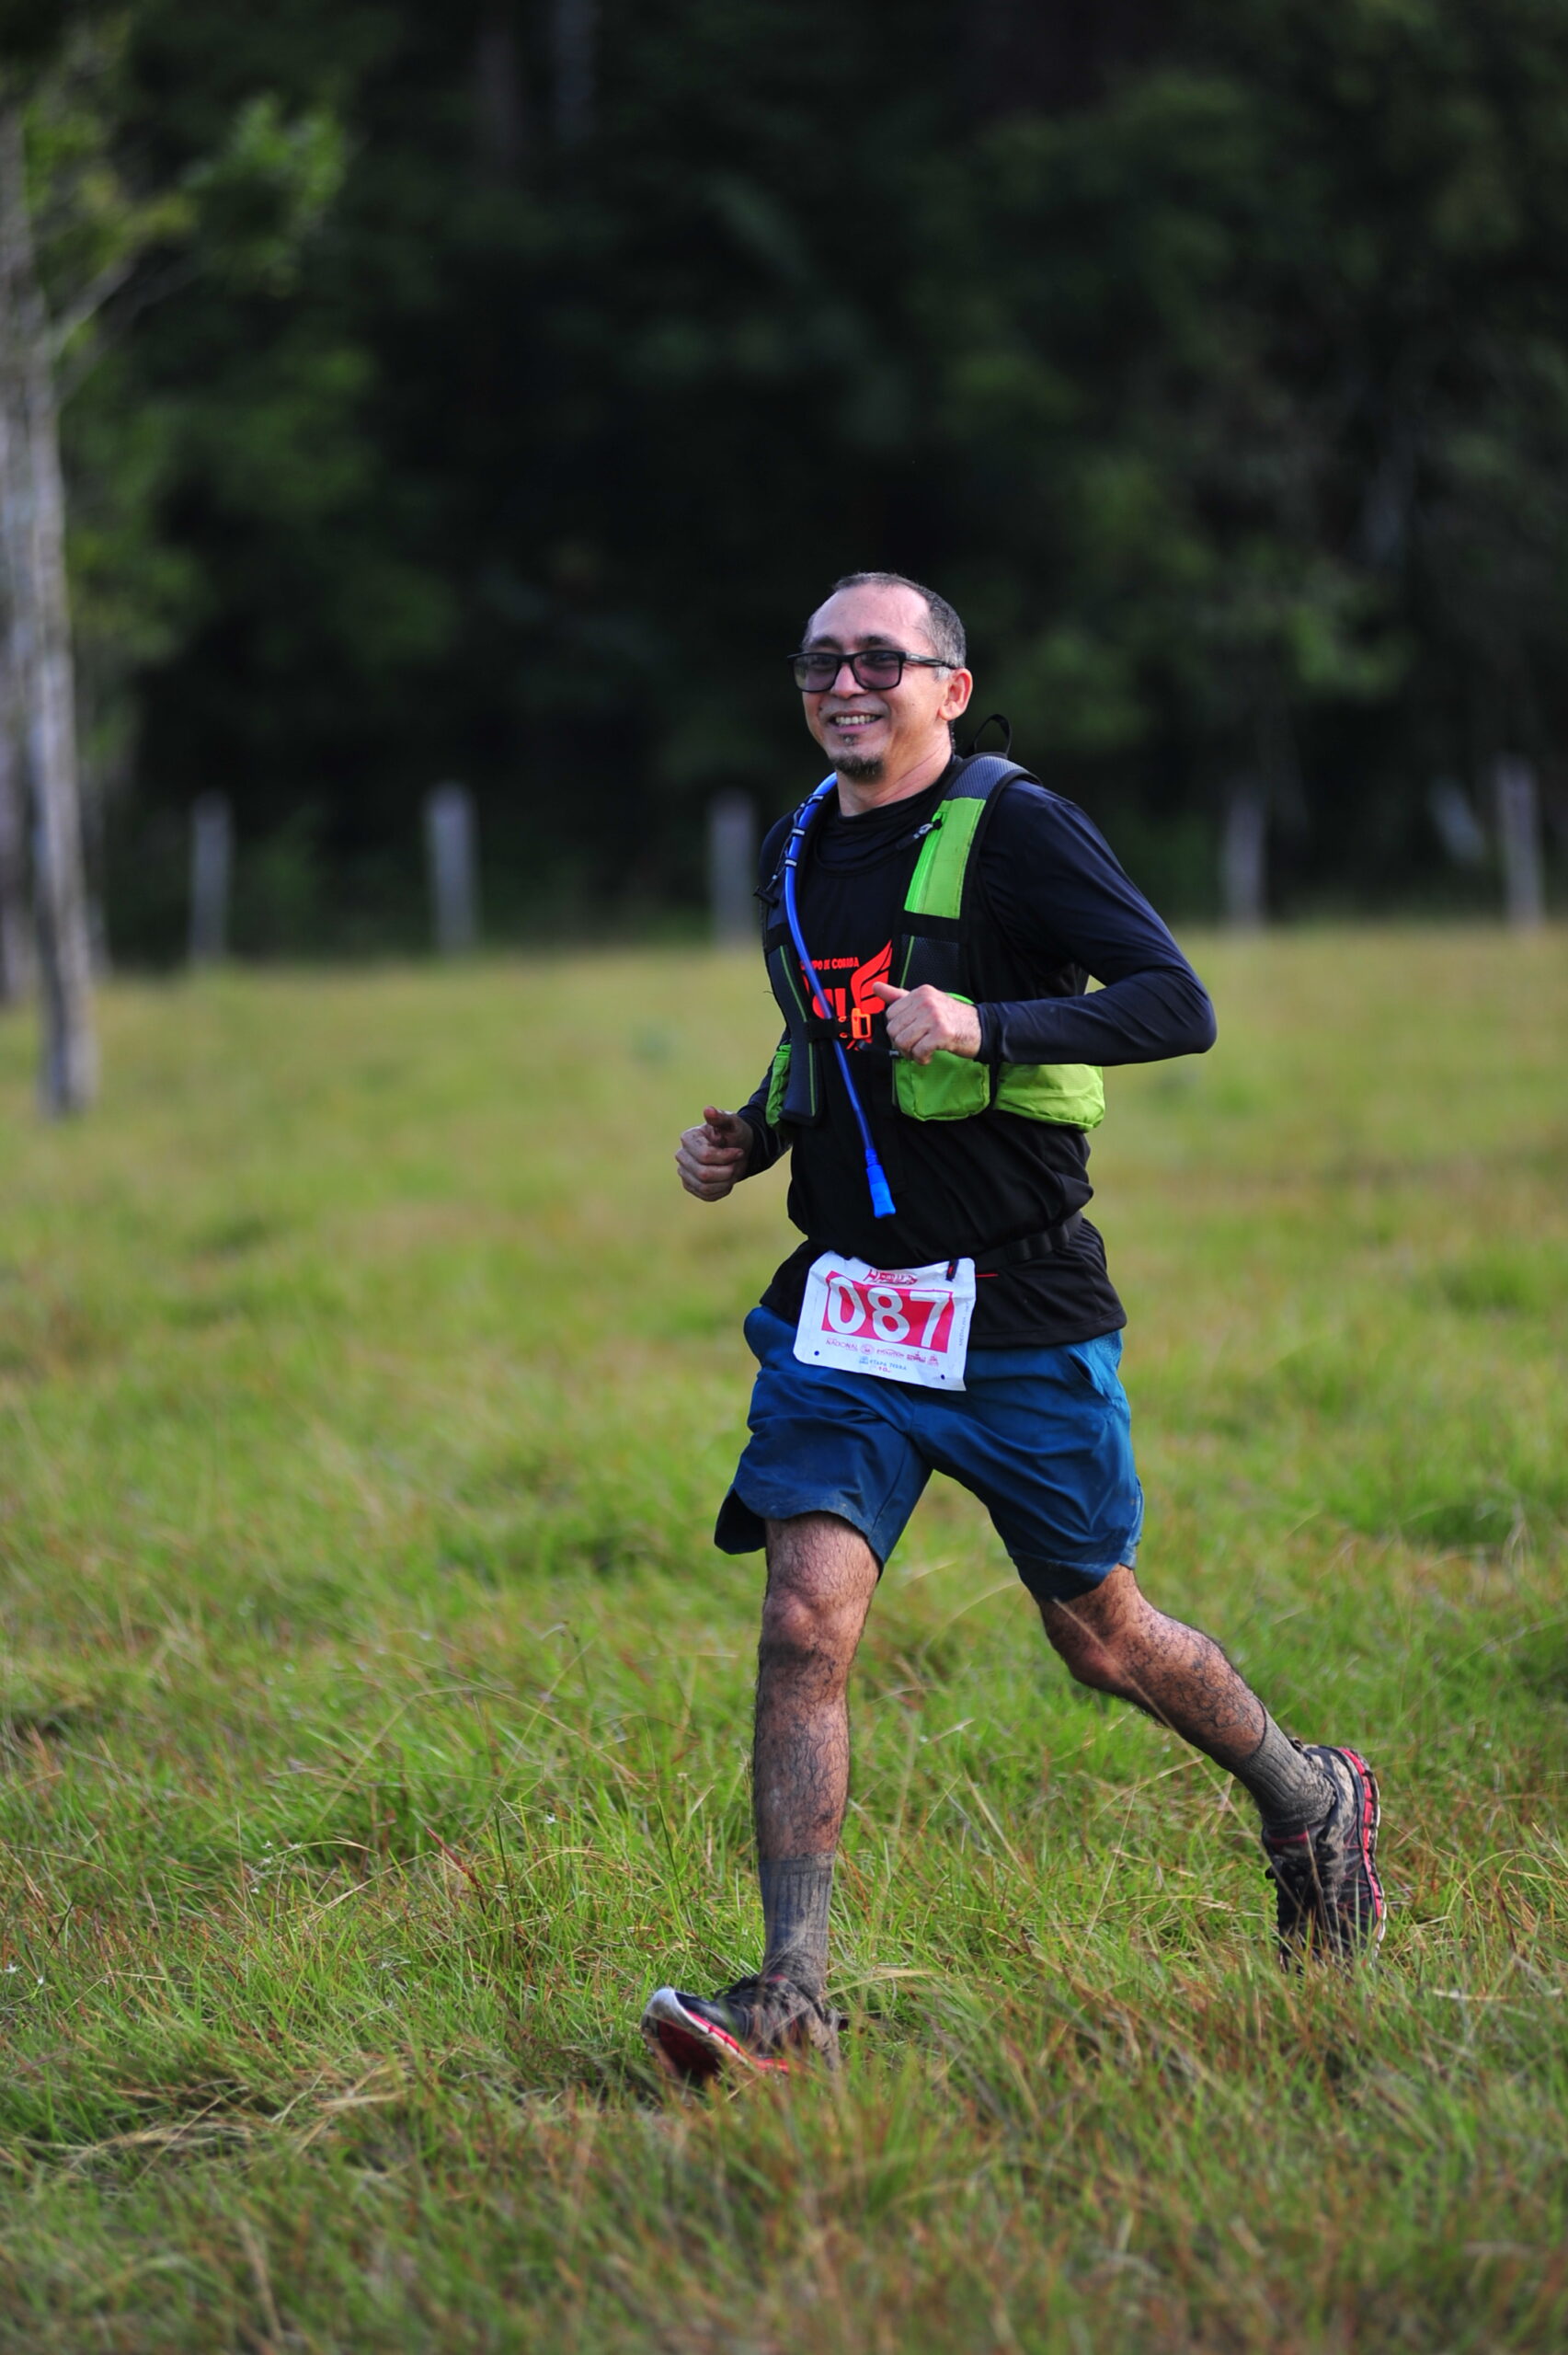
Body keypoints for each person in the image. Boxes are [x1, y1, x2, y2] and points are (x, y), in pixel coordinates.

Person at [640, 571, 1384, 2084]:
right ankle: (788, 1999)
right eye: (819, 663)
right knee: (802, 1623)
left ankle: (1308, 1798)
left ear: (950, 688)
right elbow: (820, 1030)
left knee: (1102, 1636)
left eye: (879, 660)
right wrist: (751, 1136)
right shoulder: (796, 844)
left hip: (1018, 1307)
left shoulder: (1019, 829)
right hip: (850, 1310)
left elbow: (1174, 1002)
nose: (845, 685)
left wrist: (991, 1023)